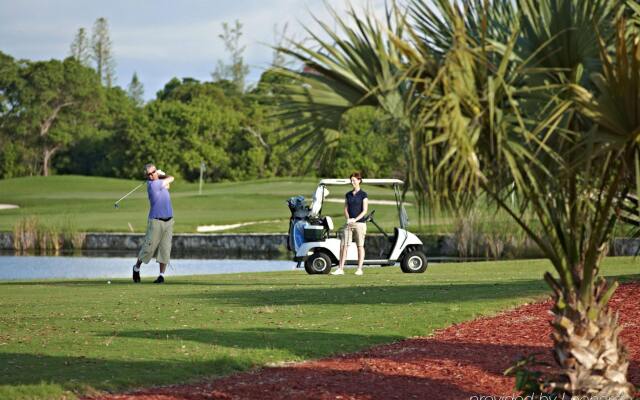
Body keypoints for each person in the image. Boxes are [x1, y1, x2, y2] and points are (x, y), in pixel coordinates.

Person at [132, 163, 175, 284]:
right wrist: (162, 174)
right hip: (156, 221)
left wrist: (160, 176)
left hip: (169, 220)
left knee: (165, 249)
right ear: (147, 176)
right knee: (148, 248)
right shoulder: (153, 185)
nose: (151, 175)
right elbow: (171, 178)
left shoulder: (159, 183)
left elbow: (168, 186)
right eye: (149, 174)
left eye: (153, 172)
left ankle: (161, 276)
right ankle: (136, 268)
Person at [332, 172, 368, 276]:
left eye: (354, 180)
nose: (352, 182)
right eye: (351, 180)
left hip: (360, 224)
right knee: (343, 245)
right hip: (349, 223)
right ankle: (340, 268)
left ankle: (359, 269)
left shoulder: (363, 194)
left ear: (359, 180)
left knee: (360, 246)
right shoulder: (348, 194)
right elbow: (345, 209)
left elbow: (364, 210)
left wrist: (355, 219)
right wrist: (348, 219)